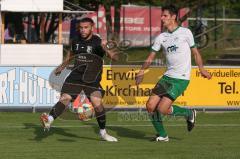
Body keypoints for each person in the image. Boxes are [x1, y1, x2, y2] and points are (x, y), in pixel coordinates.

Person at [136, 5, 212, 142]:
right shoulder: (161, 37)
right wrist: (141, 72)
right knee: (150, 106)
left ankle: (189, 113)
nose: (162, 18)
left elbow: (195, 53)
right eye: (162, 15)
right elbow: (150, 57)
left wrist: (202, 69)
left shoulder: (185, 32)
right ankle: (163, 136)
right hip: (167, 77)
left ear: (173, 17)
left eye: (165, 15)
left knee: (162, 109)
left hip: (181, 78)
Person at [40, 17, 118, 142]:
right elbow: (71, 55)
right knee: (65, 98)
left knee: (97, 104)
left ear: (92, 28)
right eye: (81, 27)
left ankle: (103, 132)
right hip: (75, 76)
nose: (83, 30)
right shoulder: (75, 40)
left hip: (92, 78)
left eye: (86, 27)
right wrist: (62, 66)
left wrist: (107, 49)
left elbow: (115, 57)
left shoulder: (98, 42)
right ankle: (49, 120)